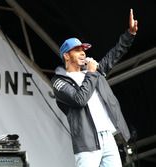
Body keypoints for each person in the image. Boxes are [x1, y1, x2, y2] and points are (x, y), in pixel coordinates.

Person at [51, 9, 138, 167]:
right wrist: (91, 72)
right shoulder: (59, 81)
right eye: (78, 50)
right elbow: (79, 99)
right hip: (87, 142)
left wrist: (130, 34)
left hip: (108, 137)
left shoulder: (93, 71)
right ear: (66, 55)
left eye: (84, 50)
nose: (83, 53)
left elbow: (113, 56)